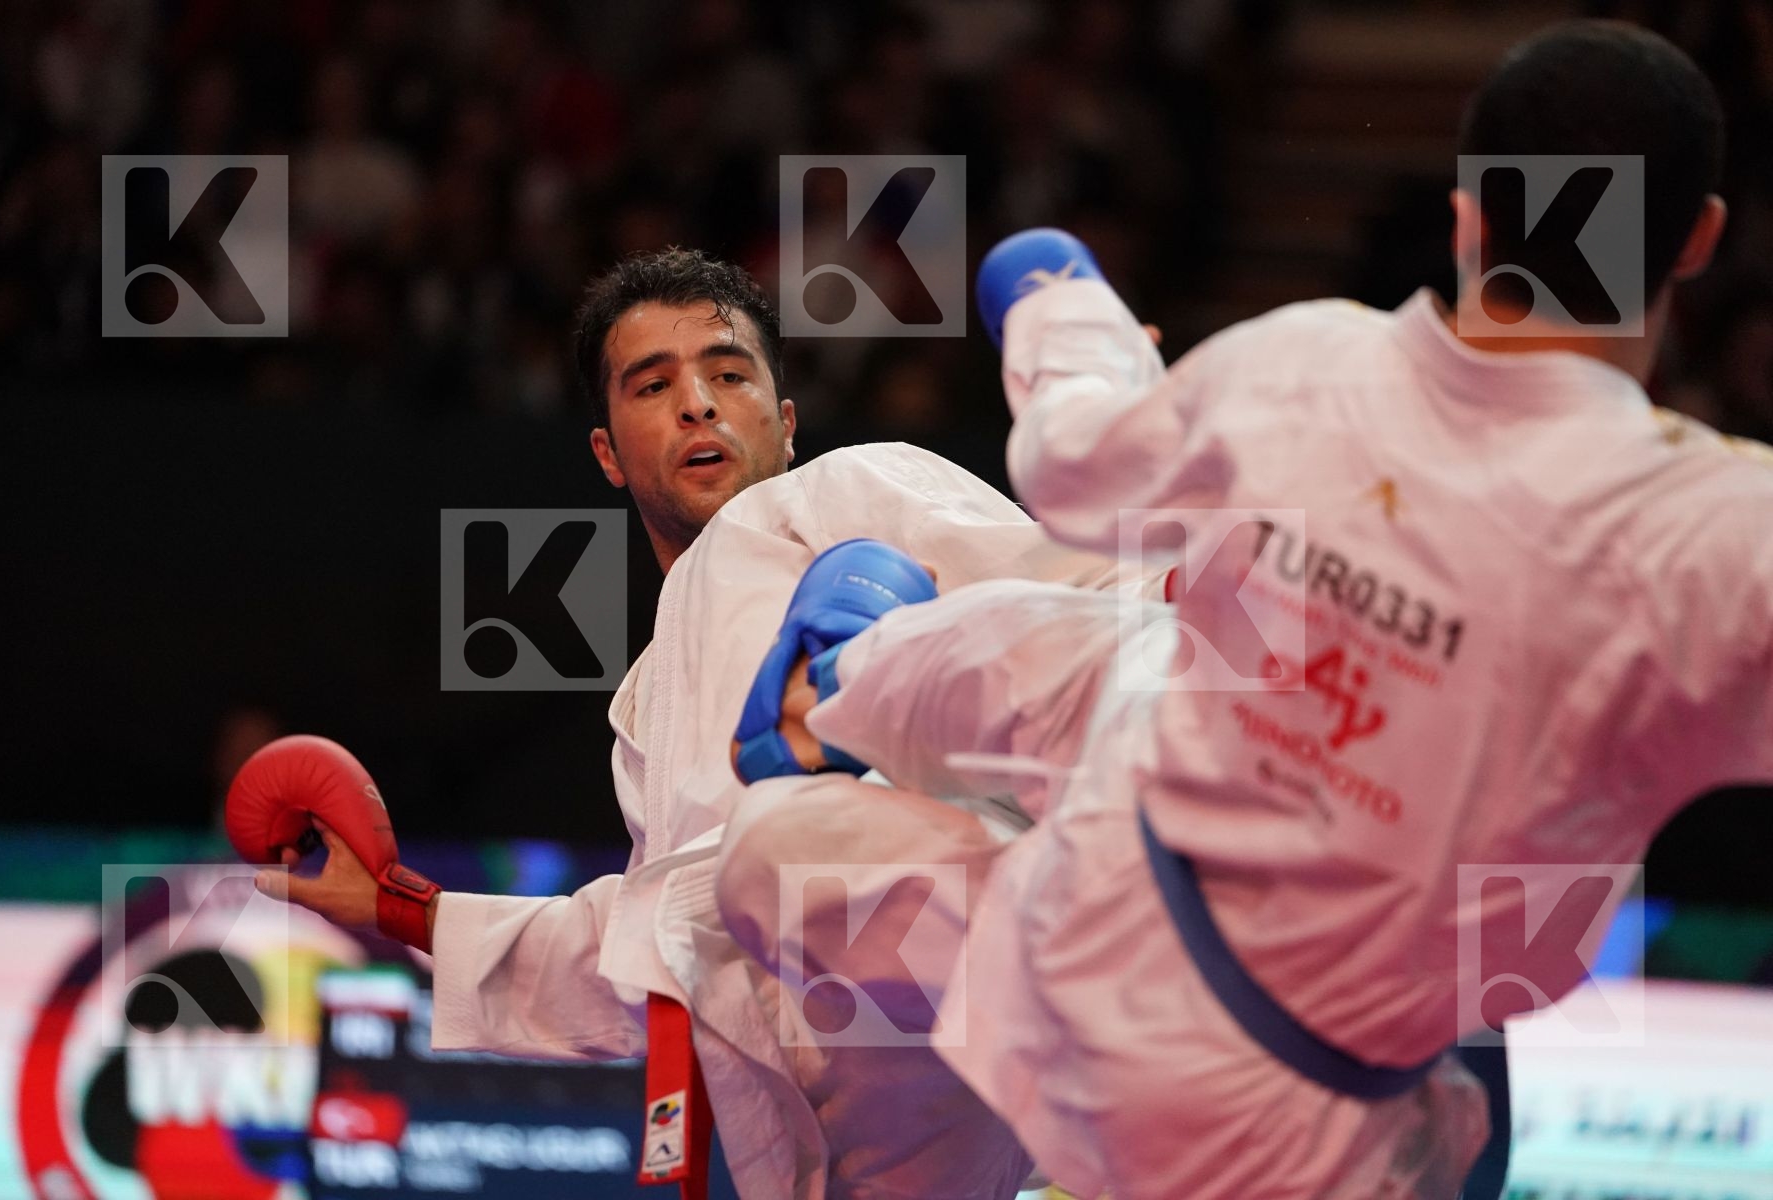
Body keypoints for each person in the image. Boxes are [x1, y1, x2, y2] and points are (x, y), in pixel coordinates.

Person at [734, 20, 1773, 1199]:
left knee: (782, 848)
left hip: (1104, 981)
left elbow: (1070, 459)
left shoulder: (1303, 361)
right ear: (1697, 242)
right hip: (1281, 1081)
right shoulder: (1717, 535)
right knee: (1127, 652)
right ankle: (858, 679)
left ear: (1469, 214)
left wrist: (1053, 298)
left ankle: (852, 679)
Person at [251, 247, 1130, 1198]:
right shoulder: (644, 715)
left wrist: (1153, 521)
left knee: (797, 837)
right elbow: (651, 954)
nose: (699, 403)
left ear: (785, 425)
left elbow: (1061, 586)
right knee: (725, 899)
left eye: (728, 374)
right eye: (654, 384)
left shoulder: (841, 494)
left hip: (952, 921)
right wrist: (401, 910)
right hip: (848, 1128)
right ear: (608, 452)